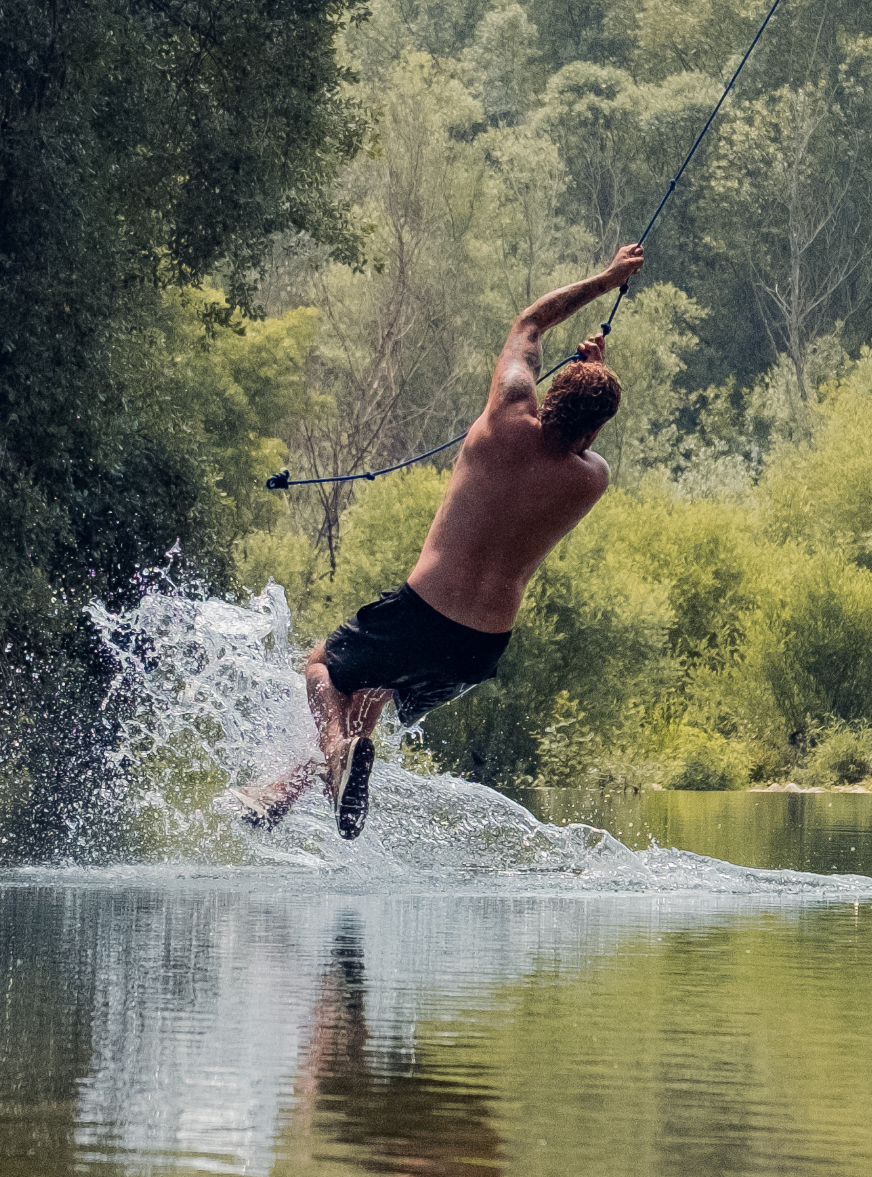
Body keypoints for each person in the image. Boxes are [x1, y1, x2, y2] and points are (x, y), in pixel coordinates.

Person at [236, 242, 646, 839]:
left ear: (549, 395)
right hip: (479, 650)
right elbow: (575, 432)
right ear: (597, 427)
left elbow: (530, 322)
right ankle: (280, 796)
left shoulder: (506, 415)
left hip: (426, 610)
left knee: (323, 665)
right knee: (371, 694)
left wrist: (609, 279)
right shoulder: (592, 479)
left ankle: (329, 754)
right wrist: (592, 376)